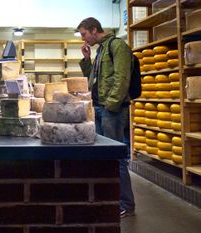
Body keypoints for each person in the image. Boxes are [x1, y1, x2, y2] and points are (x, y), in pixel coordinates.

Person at [77, 17, 136, 218]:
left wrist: (111, 104)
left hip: (112, 110)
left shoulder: (117, 46)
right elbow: (92, 79)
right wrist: (87, 59)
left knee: (115, 156)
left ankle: (126, 204)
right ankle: (109, 198)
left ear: (94, 30)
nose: (84, 38)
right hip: (101, 109)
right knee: (103, 155)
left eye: (84, 34)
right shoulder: (101, 49)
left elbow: (122, 77)